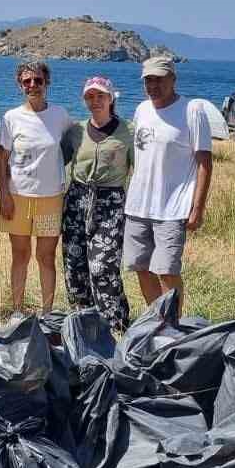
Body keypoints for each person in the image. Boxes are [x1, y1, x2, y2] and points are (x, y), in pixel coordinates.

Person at [124, 56, 213, 305]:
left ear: (173, 79)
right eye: (148, 80)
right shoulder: (142, 109)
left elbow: (205, 162)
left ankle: (172, 325)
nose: (153, 85)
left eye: (159, 80)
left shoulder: (191, 110)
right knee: (140, 267)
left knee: (167, 270)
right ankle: (156, 320)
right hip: (138, 205)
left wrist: (197, 208)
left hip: (172, 208)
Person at [60, 76, 134, 331]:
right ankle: (83, 322)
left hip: (110, 203)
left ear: (111, 98)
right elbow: (55, 162)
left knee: (103, 267)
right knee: (74, 263)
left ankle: (115, 324)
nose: (95, 101)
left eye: (100, 96)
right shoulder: (75, 132)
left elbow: (142, 168)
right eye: (90, 97)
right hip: (77, 201)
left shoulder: (128, 131)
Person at [0, 61, 71, 314]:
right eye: (27, 81)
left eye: (38, 81)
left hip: (51, 197)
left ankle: (47, 313)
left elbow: (73, 145)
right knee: (20, 255)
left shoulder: (60, 115)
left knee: (46, 256)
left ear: (46, 83)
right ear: (20, 85)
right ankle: (17, 311)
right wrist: (3, 194)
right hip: (17, 196)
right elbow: (2, 159)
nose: (32, 85)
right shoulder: (11, 118)